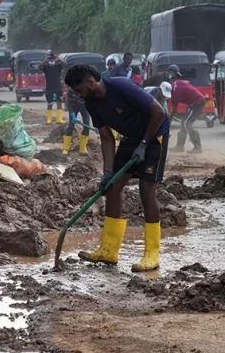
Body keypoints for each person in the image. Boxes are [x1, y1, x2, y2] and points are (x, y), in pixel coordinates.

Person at [65, 65, 170, 272]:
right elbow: (106, 136)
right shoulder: (91, 102)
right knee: (112, 187)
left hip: (154, 135)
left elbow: (158, 111)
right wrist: (107, 172)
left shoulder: (122, 87)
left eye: (79, 90)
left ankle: (152, 254)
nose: (77, 95)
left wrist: (143, 144)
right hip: (131, 138)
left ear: (90, 83)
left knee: (146, 191)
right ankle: (109, 250)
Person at [145, 82, 173, 182]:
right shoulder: (148, 95)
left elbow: (164, 113)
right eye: (163, 95)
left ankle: (158, 177)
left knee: (161, 149)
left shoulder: (162, 98)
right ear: (159, 90)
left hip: (157, 117)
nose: (164, 97)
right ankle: (144, 173)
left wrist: (165, 130)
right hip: (145, 116)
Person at [170, 78, 206, 154]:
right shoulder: (176, 83)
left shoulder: (174, 94)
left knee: (187, 123)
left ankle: (197, 147)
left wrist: (168, 121)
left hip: (197, 102)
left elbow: (174, 110)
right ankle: (179, 146)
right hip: (195, 101)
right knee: (184, 122)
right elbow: (187, 82)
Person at [39, 51, 67, 125]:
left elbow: (65, 64)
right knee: (50, 104)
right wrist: (45, 61)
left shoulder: (58, 66)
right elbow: (39, 66)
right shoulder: (46, 67)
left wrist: (59, 59)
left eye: (52, 59)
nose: (52, 60)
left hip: (58, 88)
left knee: (59, 103)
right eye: (50, 59)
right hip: (49, 88)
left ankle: (59, 119)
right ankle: (49, 119)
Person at [63, 87, 91, 156]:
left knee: (87, 126)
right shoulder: (70, 90)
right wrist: (72, 114)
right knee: (71, 126)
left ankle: (82, 149)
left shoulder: (87, 88)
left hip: (85, 107)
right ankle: (66, 148)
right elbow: (69, 103)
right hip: (73, 106)